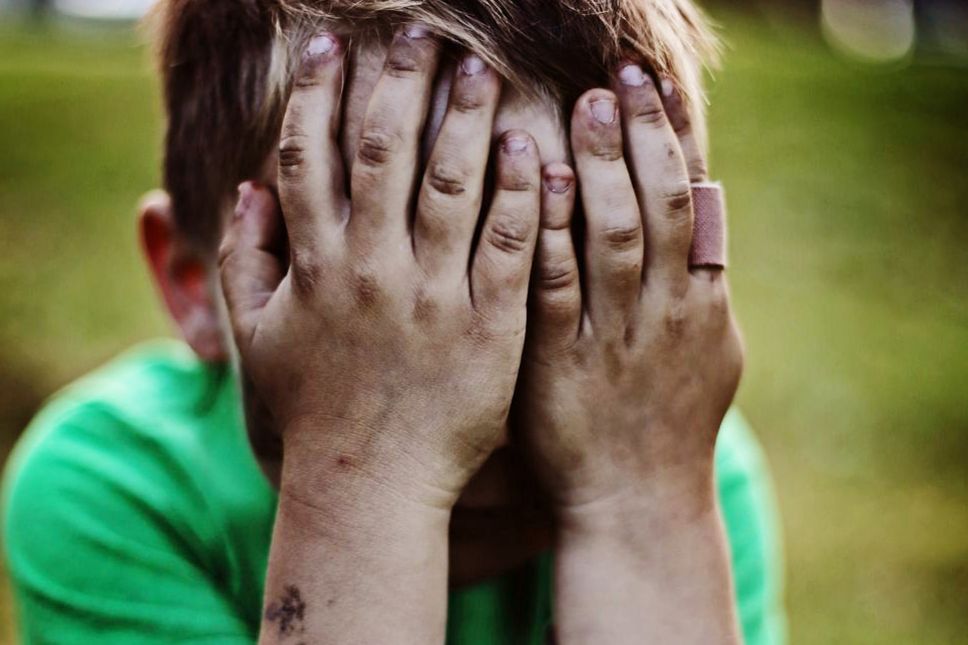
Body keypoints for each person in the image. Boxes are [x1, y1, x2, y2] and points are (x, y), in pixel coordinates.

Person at [1, 0, 786, 642]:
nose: (474, 417)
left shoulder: (680, 469)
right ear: (192, 285)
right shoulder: (116, 490)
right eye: (364, 304)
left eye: (558, 293)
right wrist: (367, 471)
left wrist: (640, 505)